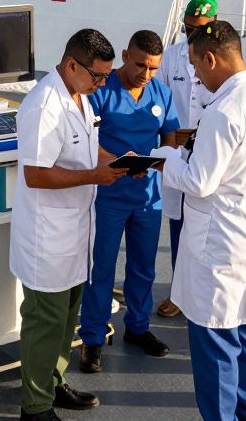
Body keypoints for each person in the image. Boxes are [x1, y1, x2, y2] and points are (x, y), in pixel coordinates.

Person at [150, 21, 246, 421]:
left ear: (211, 58)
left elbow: (199, 182)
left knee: (215, 342)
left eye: (196, 66)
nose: (195, 75)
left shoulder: (223, 110)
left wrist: (166, 159)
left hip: (221, 242)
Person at [11, 29, 127, 421]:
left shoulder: (78, 96)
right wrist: (96, 176)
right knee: (45, 323)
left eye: (107, 76)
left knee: (66, 322)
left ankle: (53, 382)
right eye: (98, 76)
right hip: (48, 238)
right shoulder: (44, 106)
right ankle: (35, 406)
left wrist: (119, 162)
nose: (103, 83)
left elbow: (87, 146)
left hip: (76, 233)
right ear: (72, 65)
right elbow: (36, 174)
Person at [78, 30, 181, 373]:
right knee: (101, 269)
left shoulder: (160, 92)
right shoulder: (101, 91)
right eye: (140, 65)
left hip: (147, 196)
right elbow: (84, 137)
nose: (146, 74)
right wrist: (120, 160)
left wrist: (162, 158)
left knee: (144, 267)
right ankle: (92, 339)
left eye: (153, 68)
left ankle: (138, 328)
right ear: (125, 54)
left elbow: (169, 133)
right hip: (107, 195)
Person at [153, 0, 217, 318]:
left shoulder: (223, 60)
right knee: (178, 224)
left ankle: (203, 292)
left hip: (211, 154)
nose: (192, 35)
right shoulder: (172, 57)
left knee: (208, 227)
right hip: (178, 155)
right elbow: (161, 100)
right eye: (188, 28)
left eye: (199, 30)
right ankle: (179, 294)